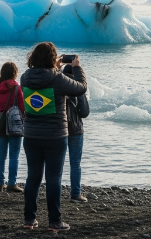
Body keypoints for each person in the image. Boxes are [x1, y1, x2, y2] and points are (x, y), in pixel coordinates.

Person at [21, 43, 87, 232]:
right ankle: (55, 221)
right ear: (53, 58)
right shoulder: (57, 78)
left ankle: (29, 220)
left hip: (31, 135)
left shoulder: (24, 77)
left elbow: (41, 77)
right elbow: (81, 87)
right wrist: (76, 67)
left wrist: (54, 66)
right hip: (55, 136)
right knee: (53, 178)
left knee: (33, 177)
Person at [0, 62, 25, 192]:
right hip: (14, 124)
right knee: (14, 155)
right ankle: (12, 183)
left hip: (0, 125)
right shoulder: (16, 88)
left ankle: (0, 183)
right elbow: (22, 107)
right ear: (14, 73)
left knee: (1, 154)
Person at [64, 64, 90, 203]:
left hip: (59, 129)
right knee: (75, 163)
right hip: (76, 129)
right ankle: (75, 193)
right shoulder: (77, 87)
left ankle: (54, 192)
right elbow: (84, 112)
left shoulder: (57, 85)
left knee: (56, 163)